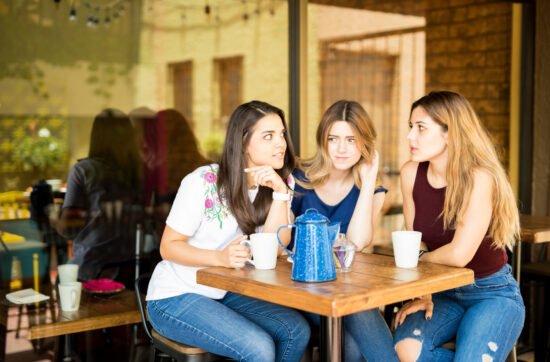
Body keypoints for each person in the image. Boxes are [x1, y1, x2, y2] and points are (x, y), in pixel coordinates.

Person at [145, 100, 311, 361]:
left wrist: (281, 194)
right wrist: (219, 258)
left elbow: (276, 250)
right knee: (259, 348)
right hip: (176, 296)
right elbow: (168, 247)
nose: (281, 144)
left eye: (281, 134)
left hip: (227, 292)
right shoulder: (203, 181)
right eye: (268, 136)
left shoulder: (280, 182)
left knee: (295, 331)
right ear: (243, 142)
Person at [393, 91, 525, 362]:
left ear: (450, 133)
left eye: (421, 128)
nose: (410, 137)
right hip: (441, 293)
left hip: (491, 293)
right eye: (411, 127)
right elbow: (415, 239)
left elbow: (458, 254)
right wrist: (424, 289)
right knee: (406, 350)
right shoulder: (410, 173)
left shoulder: (479, 178)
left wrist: (419, 261)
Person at [292, 100, 397, 361]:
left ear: (364, 143)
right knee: (356, 312)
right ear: (322, 140)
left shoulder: (373, 190)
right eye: (333, 138)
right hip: (302, 294)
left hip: (348, 295)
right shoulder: (298, 179)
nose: (341, 149)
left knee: (352, 329)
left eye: (351, 140)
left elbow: (357, 243)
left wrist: (370, 178)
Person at [56, 109, 143, 284]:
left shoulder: (84, 171)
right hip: (132, 270)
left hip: (92, 269)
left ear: (95, 136)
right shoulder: (139, 173)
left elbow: (69, 228)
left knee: (63, 283)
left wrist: (52, 216)